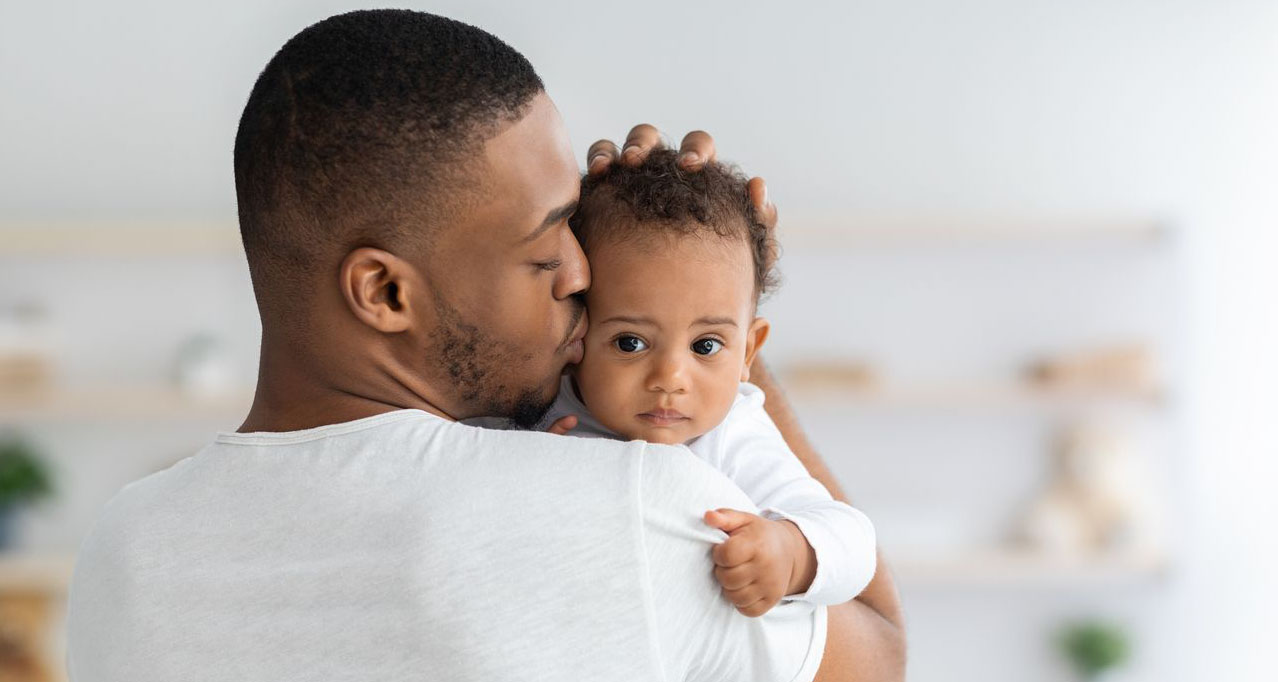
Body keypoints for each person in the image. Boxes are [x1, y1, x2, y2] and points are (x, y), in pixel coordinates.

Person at [65, 10, 905, 682]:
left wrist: (665, 301)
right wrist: (715, 304)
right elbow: (879, 651)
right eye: (546, 247)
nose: (583, 274)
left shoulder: (124, 548)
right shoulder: (638, 507)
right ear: (386, 293)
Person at [474, 149, 878, 617]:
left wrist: (789, 552)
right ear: (576, 335)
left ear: (748, 351)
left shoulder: (732, 434)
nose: (670, 378)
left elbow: (853, 540)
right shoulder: (544, 415)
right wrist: (517, 471)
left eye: (706, 346)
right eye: (630, 343)